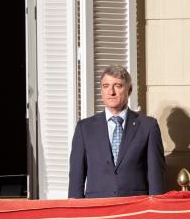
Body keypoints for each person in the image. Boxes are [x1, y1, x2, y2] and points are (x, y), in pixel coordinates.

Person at [68, 65, 165, 198]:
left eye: (117, 86)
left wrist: (155, 210)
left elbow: (156, 177)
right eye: (106, 86)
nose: (111, 92)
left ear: (129, 90)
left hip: (135, 209)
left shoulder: (148, 126)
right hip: (97, 209)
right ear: (101, 90)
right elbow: (76, 179)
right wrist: (76, 213)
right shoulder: (84, 128)